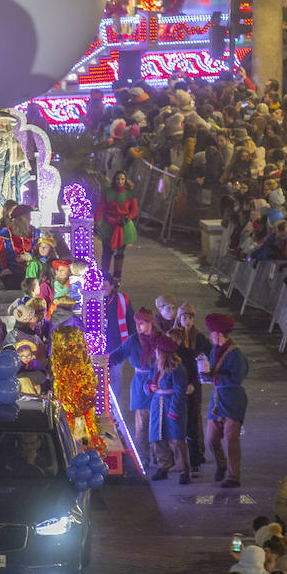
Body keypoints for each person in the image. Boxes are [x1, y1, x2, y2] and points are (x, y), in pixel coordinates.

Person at [107, 308, 175, 472]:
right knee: (142, 426)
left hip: (160, 384)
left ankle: (164, 459)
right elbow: (117, 355)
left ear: (150, 323)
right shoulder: (132, 341)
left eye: (141, 323)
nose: (137, 326)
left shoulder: (161, 339)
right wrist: (103, 363)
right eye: (136, 323)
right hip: (140, 386)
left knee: (160, 424)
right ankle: (143, 458)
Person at [204, 313, 248, 487]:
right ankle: (221, 464)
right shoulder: (214, 350)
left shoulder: (236, 354)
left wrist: (214, 377)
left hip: (232, 401)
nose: (210, 336)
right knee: (211, 438)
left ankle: (233, 476)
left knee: (231, 439)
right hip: (216, 400)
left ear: (219, 334)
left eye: (212, 332)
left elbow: (237, 378)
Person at [148, 343, 191, 483]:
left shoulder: (178, 369)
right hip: (157, 405)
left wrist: (174, 409)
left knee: (177, 440)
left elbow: (179, 391)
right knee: (158, 437)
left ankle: (183, 471)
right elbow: (147, 382)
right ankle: (163, 467)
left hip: (170, 404)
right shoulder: (155, 367)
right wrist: (149, 387)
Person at [96, 170, 138, 279]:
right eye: (118, 179)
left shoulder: (129, 193)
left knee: (120, 252)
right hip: (108, 224)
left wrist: (128, 218)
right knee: (106, 251)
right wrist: (96, 221)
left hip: (123, 226)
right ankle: (104, 274)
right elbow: (101, 206)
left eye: (122, 179)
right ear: (114, 179)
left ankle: (117, 275)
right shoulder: (107, 192)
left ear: (125, 180)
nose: (120, 181)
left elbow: (134, 210)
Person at [0, 204, 36, 290]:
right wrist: (6, 269)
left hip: (31, 271)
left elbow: (39, 251)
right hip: (13, 272)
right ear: (20, 219)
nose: (30, 219)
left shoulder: (34, 232)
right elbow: (1, 254)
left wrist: (29, 257)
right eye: (28, 217)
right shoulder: (6, 232)